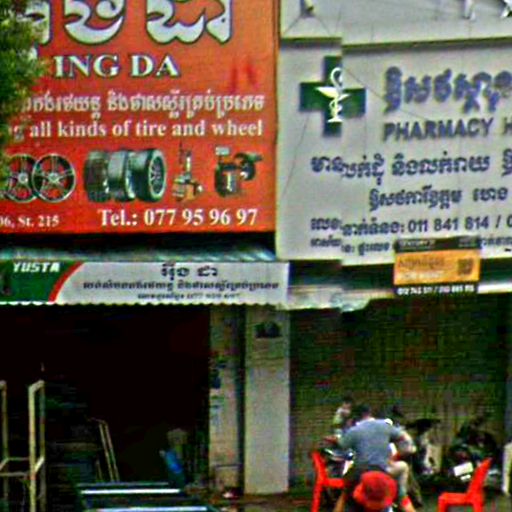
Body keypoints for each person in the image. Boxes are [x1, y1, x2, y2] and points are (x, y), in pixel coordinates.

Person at [333, 404, 416, 512]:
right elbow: (405, 439)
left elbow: (342, 446)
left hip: (361, 471)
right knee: (401, 489)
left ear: (355, 417)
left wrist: (335, 440)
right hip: (383, 470)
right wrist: (399, 454)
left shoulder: (354, 430)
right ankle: (401, 497)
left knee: (344, 494)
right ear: (370, 414)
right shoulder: (385, 425)